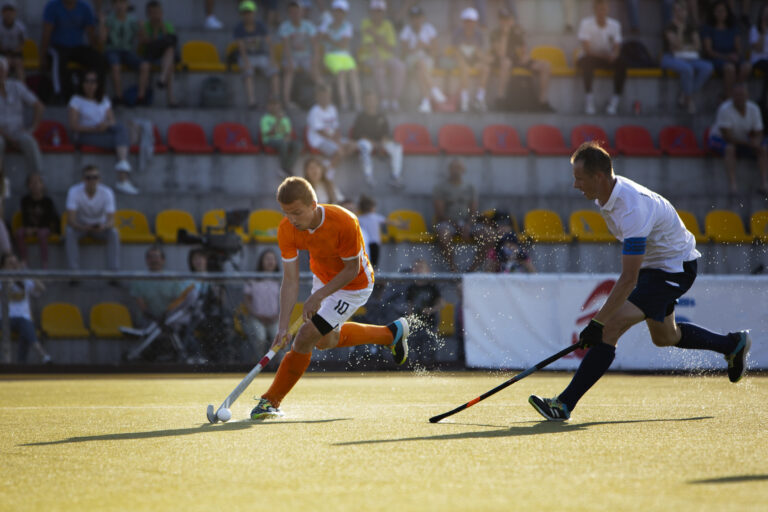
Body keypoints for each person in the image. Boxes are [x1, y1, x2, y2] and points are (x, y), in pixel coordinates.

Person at [528, 141, 751, 422]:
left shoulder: (632, 208)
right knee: (665, 337)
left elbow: (628, 278)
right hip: (655, 269)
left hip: (674, 268)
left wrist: (597, 323)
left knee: (610, 327)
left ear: (598, 177)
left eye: (579, 178)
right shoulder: (605, 198)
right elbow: (635, 271)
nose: (575, 185)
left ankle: (563, 404)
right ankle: (732, 344)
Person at [249, 176, 410, 419]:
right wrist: (282, 326)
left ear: (313, 204)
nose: (292, 219)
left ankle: (270, 400)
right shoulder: (287, 229)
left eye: (297, 212)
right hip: (323, 280)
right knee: (324, 340)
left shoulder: (344, 221)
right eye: (286, 213)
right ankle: (391, 334)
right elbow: (290, 281)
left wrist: (318, 297)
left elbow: (351, 269)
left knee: (304, 337)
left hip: (354, 285)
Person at [68, 69, 139, 194]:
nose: (90, 85)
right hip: (85, 134)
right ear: (82, 83)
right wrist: (95, 128)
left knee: (120, 128)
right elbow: (73, 126)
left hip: (103, 131)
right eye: (87, 81)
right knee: (122, 139)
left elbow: (112, 121)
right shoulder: (76, 100)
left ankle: (122, 164)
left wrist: (104, 125)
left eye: (93, 81)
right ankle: (123, 179)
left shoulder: (104, 99)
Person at [129, 245, 202, 362]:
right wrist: (155, 318)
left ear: (163, 260)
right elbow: (141, 305)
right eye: (151, 257)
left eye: (157, 257)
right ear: (147, 260)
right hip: (149, 320)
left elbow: (179, 300)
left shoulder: (171, 278)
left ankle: (191, 357)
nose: (154, 260)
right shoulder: (139, 279)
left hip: (170, 319)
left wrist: (167, 316)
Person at [708, 84, 768, 196]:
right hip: (718, 139)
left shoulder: (753, 108)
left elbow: (759, 131)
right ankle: (733, 186)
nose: (740, 98)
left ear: (747, 96)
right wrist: (751, 144)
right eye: (737, 95)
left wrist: (757, 141)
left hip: (742, 140)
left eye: (742, 95)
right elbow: (727, 136)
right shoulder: (725, 109)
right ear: (732, 96)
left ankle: (764, 184)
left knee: (763, 149)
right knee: (730, 149)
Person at [40, 0, 106, 101]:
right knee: (59, 58)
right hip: (57, 46)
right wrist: (42, 56)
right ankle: (59, 93)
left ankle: (97, 93)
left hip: (77, 46)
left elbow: (91, 36)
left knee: (99, 60)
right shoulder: (52, 6)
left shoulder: (85, 7)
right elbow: (46, 33)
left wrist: (100, 31)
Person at [490, 7, 552, 110]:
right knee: (506, 62)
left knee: (545, 65)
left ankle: (542, 101)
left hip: (517, 59)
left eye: (507, 19)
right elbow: (501, 54)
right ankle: (500, 98)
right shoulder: (495, 33)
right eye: (503, 19)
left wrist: (525, 56)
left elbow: (523, 49)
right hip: (504, 60)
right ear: (499, 20)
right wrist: (505, 34)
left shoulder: (517, 31)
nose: (505, 22)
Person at [65, 164, 120, 273]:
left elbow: (111, 220)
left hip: (100, 226)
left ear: (100, 179)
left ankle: (114, 272)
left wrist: (104, 226)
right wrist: (82, 227)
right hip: (80, 226)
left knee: (114, 233)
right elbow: (70, 220)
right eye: (88, 177)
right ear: (83, 179)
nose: (91, 180)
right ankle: (74, 273)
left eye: (95, 177)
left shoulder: (107, 192)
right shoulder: (74, 191)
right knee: (69, 232)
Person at [660, 0, 714, 114]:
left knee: (707, 67)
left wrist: (686, 47)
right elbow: (677, 45)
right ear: (673, 12)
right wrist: (680, 29)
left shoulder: (691, 26)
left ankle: (686, 93)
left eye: (682, 10)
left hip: (690, 57)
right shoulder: (669, 26)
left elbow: (698, 46)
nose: (680, 13)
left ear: (686, 11)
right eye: (677, 10)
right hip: (671, 57)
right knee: (687, 69)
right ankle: (689, 101)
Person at [0, 253, 51, 364]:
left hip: (23, 319)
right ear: (3, 267)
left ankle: (22, 363)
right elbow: (4, 293)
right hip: (4, 318)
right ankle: (42, 354)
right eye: (10, 264)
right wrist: (10, 279)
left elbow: (41, 289)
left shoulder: (24, 279)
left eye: (15, 263)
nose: (14, 266)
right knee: (25, 325)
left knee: (26, 327)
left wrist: (28, 274)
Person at [577, 0, 626, 115]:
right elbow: (587, 50)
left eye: (604, 9)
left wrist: (614, 56)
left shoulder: (615, 25)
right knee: (586, 63)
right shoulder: (585, 23)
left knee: (622, 63)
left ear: (607, 10)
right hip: (591, 57)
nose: (601, 12)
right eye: (599, 9)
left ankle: (614, 101)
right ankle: (589, 100)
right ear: (594, 10)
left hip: (607, 58)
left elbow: (617, 47)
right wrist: (605, 56)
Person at [433, 159, 482, 272]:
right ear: (449, 170)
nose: (456, 171)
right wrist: (456, 225)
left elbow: (474, 211)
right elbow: (439, 214)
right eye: (454, 168)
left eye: (459, 168)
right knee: (443, 234)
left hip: (467, 222)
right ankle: (453, 268)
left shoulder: (470, 188)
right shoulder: (441, 188)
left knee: (489, 236)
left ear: (464, 170)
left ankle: (472, 269)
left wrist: (468, 225)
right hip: (447, 222)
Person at [0, 56, 44, 176]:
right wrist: (10, 139)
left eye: (1, 70)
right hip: (1, 133)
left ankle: (37, 180)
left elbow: (38, 106)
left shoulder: (17, 86)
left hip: (18, 131)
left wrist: (32, 128)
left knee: (29, 141)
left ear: (6, 71)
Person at [350, 90, 404, 187]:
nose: (371, 102)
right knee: (364, 146)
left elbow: (386, 133)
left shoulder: (381, 116)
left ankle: (395, 177)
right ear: (364, 102)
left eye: (373, 99)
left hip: (381, 143)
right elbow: (358, 135)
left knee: (397, 147)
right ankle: (368, 176)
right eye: (369, 100)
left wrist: (382, 143)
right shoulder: (360, 117)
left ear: (377, 101)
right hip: (368, 143)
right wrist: (374, 143)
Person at [359, 0, 406, 111]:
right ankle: (383, 99)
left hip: (387, 56)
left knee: (400, 66)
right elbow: (370, 45)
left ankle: (394, 99)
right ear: (370, 12)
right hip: (369, 56)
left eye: (379, 11)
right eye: (375, 11)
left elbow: (391, 47)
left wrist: (374, 34)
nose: (377, 14)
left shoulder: (388, 25)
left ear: (384, 13)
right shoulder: (365, 22)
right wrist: (378, 56)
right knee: (379, 67)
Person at [400, 5, 446, 113]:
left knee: (420, 69)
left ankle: (426, 102)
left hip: (426, 60)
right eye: (413, 17)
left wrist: (425, 46)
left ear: (422, 18)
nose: (416, 20)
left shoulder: (429, 28)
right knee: (420, 64)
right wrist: (415, 48)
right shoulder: (406, 30)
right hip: (411, 59)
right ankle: (434, 89)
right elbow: (403, 53)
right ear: (410, 19)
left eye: (418, 17)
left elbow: (436, 50)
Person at [318, 0, 362, 111]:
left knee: (353, 72)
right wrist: (329, 38)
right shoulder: (325, 23)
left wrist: (329, 38)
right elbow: (319, 38)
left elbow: (343, 45)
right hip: (330, 55)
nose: (338, 14)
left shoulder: (348, 26)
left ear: (345, 13)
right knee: (341, 73)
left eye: (341, 12)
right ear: (333, 12)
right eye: (336, 11)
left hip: (345, 55)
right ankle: (344, 103)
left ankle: (357, 103)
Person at [701, 0, 750, 99]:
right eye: (718, 11)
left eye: (723, 11)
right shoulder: (708, 28)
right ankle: (729, 98)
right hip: (717, 58)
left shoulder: (733, 28)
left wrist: (736, 56)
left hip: (732, 57)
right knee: (730, 68)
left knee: (747, 66)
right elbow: (709, 51)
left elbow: (738, 48)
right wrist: (726, 57)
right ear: (713, 12)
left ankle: (734, 94)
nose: (721, 14)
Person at [234, 0, 278, 109]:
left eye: (250, 12)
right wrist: (246, 62)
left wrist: (272, 60)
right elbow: (241, 48)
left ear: (254, 13)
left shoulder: (261, 26)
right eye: (245, 13)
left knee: (274, 71)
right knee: (248, 72)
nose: (248, 15)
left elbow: (270, 44)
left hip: (261, 56)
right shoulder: (239, 28)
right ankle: (251, 102)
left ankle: (275, 99)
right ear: (242, 14)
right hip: (247, 57)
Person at [306, 84, 356, 177]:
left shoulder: (332, 108)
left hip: (332, 138)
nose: (325, 98)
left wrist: (338, 139)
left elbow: (336, 127)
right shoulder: (314, 111)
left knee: (353, 145)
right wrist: (337, 143)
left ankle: (327, 164)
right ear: (317, 97)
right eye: (322, 96)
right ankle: (329, 174)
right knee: (339, 152)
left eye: (327, 95)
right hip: (319, 140)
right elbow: (321, 132)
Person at [100, 0, 143, 106]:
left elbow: (143, 40)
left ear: (127, 5)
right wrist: (102, 23)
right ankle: (119, 97)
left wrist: (142, 28)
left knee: (145, 65)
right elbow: (102, 40)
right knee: (115, 65)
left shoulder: (132, 20)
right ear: (113, 5)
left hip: (127, 51)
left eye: (123, 3)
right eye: (117, 3)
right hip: (112, 50)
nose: (120, 6)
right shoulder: (109, 19)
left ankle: (141, 97)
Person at [278, 1, 319, 109]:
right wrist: (290, 61)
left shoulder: (308, 25)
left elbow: (315, 44)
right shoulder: (285, 26)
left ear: (302, 12)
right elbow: (286, 46)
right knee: (289, 71)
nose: (295, 14)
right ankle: (286, 101)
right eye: (292, 12)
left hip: (306, 56)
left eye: (297, 11)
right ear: (289, 13)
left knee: (316, 72)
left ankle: (324, 99)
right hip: (291, 56)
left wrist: (315, 59)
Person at [241, 248, 281, 358]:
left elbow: (284, 300)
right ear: (261, 262)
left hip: (275, 318)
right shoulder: (252, 280)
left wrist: (278, 316)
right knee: (260, 337)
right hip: (256, 318)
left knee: (280, 339)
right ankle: (259, 363)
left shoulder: (280, 280)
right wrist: (256, 314)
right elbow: (247, 300)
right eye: (267, 259)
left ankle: (281, 365)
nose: (270, 262)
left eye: (272, 259)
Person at [138, 0, 178, 107]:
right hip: (149, 54)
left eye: (157, 12)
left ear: (161, 13)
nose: (155, 15)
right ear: (148, 14)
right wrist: (155, 30)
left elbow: (169, 41)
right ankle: (141, 97)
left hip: (163, 56)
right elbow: (145, 42)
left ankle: (170, 98)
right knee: (144, 66)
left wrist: (162, 27)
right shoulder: (144, 26)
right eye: (152, 12)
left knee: (170, 56)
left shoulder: (167, 25)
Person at [15, 173, 60, 269]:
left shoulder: (48, 201)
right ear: (28, 185)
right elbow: (25, 217)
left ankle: (45, 265)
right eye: (32, 182)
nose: (35, 185)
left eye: (38, 182)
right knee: (19, 233)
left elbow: (49, 220)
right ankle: (24, 262)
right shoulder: (25, 200)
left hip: (44, 229)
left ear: (42, 184)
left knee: (42, 234)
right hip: (29, 228)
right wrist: (28, 229)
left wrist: (35, 229)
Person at [404, 258, 443, 365]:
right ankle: (416, 367)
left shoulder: (432, 286)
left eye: (420, 267)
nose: (418, 270)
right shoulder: (411, 287)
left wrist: (431, 310)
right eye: (415, 268)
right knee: (414, 347)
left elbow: (440, 303)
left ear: (427, 271)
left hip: (430, 323)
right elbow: (410, 305)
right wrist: (410, 318)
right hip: (416, 323)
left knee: (429, 348)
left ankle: (430, 366)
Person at [452, 7, 490, 112]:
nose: (469, 24)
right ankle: (465, 100)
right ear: (463, 22)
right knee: (463, 68)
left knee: (485, 69)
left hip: (474, 61)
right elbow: (456, 52)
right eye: (467, 21)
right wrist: (463, 63)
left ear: (475, 22)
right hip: (461, 61)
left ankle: (479, 98)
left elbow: (482, 54)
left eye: (471, 21)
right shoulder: (457, 33)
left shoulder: (479, 35)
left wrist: (480, 60)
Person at [356, 194, 406, 268]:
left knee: (367, 262)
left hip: (364, 244)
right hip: (375, 243)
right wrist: (401, 225)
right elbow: (390, 222)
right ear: (372, 207)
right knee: (374, 264)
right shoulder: (375, 217)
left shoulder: (359, 218)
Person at [260, 97, 301, 176]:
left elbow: (288, 134)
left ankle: (285, 168)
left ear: (280, 106)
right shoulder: (265, 119)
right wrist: (278, 120)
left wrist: (287, 139)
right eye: (271, 104)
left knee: (298, 145)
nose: (274, 107)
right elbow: (268, 133)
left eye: (276, 104)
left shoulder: (285, 119)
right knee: (283, 143)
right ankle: (285, 168)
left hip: (283, 140)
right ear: (268, 106)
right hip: (270, 140)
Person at [0, 1, 25, 81]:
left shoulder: (20, 27)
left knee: (19, 65)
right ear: (2, 12)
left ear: (15, 13)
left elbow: (23, 43)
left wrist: (14, 52)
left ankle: (22, 89)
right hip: (3, 54)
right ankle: (3, 90)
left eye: (11, 11)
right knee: (4, 64)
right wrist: (6, 53)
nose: (8, 14)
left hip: (16, 54)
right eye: (6, 11)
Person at [749, 3, 768, 106]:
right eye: (766, 13)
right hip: (758, 60)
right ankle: (763, 99)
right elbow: (758, 48)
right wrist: (763, 31)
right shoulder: (755, 29)